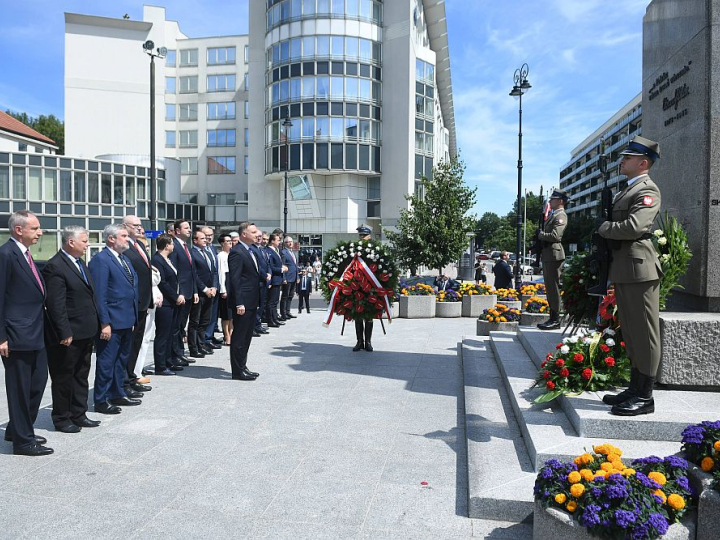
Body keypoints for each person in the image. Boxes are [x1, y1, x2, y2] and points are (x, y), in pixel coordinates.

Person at [598, 136, 663, 417]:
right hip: (626, 268)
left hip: (640, 269)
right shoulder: (628, 189)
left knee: (645, 333)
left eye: (628, 157)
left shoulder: (647, 190)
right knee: (633, 332)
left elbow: (635, 226)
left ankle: (645, 396)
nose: (622, 160)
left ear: (643, 162)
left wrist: (605, 228)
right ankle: (635, 387)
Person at [0, 210, 52, 456]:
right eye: (35, 228)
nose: (40, 233)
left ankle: (17, 428)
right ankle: (22, 441)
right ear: (19, 230)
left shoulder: (27, 254)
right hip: (16, 333)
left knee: (38, 382)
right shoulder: (6, 254)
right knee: (19, 388)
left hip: (35, 332)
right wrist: (1, 336)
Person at [43, 226, 101, 434]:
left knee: (81, 374)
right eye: (84, 241)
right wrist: (64, 332)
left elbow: (89, 296)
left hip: (86, 330)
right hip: (69, 334)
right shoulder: (55, 266)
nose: (88, 245)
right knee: (63, 376)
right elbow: (56, 305)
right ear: (71, 242)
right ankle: (62, 418)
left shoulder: (79, 263)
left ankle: (79, 413)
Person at [88, 224, 140, 415]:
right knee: (106, 361)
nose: (127, 239)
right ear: (111, 238)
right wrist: (105, 323)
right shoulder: (101, 260)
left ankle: (117, 392)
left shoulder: (124, 259)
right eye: (124, 236)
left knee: (121, 360)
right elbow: (100, 295)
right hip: (112, 322)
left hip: (127, 319)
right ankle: (101, 399)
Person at [122, 216, 153, 393]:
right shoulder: (125, 246)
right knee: (130, 344)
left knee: (137, 343)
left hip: (143, 303)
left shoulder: (139, 245)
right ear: (125, 226)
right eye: (136, 225)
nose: (140, 228)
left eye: (141, 225)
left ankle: (131, 376)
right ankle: (125, 380)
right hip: (133, 303)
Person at [227, 221, 261, 380]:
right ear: (244, 234)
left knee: (247, 336)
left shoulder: (250, 250)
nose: (257, 234)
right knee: (240, 337)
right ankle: (237, 371)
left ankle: (243, 365)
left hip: (252, 300)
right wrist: (239, 302)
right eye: (253, 232)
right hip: (243, 302)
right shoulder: (237, 252)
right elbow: (235, 280)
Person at [536, 190, 569, 330]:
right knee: (550, 288)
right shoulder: (553, 215)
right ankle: (553, 317)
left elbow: (556, 236)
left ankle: (555, 319)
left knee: (553, 288)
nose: (550, 201)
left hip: (554, 255)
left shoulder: (561, 216)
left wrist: (541, 235)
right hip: (549, 254)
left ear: (561, 201)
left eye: (553, 199)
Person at [169, 220, 199, 368]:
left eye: (189, 227)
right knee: (176, 326)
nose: (189, 230)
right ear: (177, 231)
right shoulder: (174, 246)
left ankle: (180, 353)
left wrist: (194, 290)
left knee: (182, 326)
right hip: (180, 293)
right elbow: (175, 272)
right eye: (186, 228)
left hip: (188, 292)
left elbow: (192, 272)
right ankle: (174, 355)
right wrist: (179, 292)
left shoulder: (187, 247)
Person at [151, 234, 182, 375]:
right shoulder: (157, 260)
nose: (173, 246)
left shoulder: (167, 259)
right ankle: (160, 365)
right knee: (163, 334)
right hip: (165, 302)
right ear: (166, 245)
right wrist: (175, 296)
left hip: (172, 302)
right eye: (172, 243)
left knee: (170, 333)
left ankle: (169, 361)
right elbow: (162, 283)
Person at [188, 230, 216, 358]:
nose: (205, 240)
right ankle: (194, 348)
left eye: (206, 238)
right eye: (202, 238)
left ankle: (201, 343)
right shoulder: (193, 253)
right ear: (195, 240)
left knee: (205, 320)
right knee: (195, 321)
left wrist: (214, 287)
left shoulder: (208, 252)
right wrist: (204, 289)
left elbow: (214, 272)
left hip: (211, 291)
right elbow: (194, 275)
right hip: (199, 292)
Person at [353, 224, 375, 352]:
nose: (362, 237)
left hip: (370, 286)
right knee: (357, 314)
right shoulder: (354, 249)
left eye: (364, 235)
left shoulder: (374, 249)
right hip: (356, 286)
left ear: (369, 236)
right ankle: (359, 341)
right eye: (360, 235)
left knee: (369, 315)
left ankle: (368, 342)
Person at [201, 226, 223, 349]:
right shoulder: (199, 250)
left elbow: (215, 271)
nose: (209, 237)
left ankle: (210, 335)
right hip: (204, 289)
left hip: (215, 287)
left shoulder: (213, 249)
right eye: (206, 235)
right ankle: (204, 338)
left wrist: (215, 286)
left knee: (213, 314)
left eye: (210, 235)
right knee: (205, 316)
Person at [250, 229, 270, 337]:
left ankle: (258, 325)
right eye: (257, 236)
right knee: (256, 305)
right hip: (258, 281)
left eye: (260, 237)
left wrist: (269, 274)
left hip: (265, 281)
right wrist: (265, 275)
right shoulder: (252, 249)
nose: (259, 238)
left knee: (262, 305)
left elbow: (267, 264)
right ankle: (253, 326)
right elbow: (258, 267)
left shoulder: (263, 249)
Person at [265, 233, 285, 328]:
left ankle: (274, 318)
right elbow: (271, 267)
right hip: (273, 279)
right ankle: (270, 320)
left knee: (275, 301)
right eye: (277, 240)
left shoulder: (276, 250)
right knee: (271, 301)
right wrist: (281, 269)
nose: (279, 242)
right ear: (272, 241)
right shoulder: (269, 251)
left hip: (278, 279)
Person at [216, 233, 233, 345]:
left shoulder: (232, 254)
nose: (230, 242)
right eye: (227, 241)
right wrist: (223, 289)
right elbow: (221, 273)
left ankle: (232, 334)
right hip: (225, 283)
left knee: (232, 314)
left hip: (232, 284)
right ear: (222, 243)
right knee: (226, 314)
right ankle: (226, 335)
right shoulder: (221, 256)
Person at [280, 236, 298, 320]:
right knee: (285, 296)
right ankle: (283, 313)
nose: (290, 243)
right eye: (288, 242)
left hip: (293, 277)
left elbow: (295, 266)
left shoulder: (292, 252)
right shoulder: (283, 252)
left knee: (291, 295)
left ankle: (287, 311)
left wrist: (297, 276)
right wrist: (283, 278)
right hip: (287, 278)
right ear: (285, 243)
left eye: (291, 241)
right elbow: (282, 265)